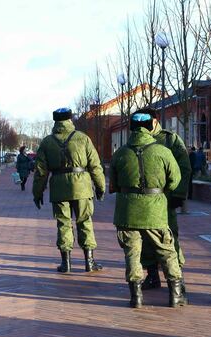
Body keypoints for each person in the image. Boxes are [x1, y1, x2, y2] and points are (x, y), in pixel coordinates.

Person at [110, 111, 187, 308]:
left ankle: (136, 296)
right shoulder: (162, 151)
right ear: (150, 126)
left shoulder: (120, 153)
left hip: (127, 213)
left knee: (132, 253)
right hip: (156, 211)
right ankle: (176, 295)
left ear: (131, 128)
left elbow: (114, 185)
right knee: (167, 251)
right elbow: (175, 180)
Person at [32, 107, 106, 273]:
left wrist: (37, 193)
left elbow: (41, 172)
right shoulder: (83, 138)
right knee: (85, 221)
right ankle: (89, 261)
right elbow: (95, 166)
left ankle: (66, 263)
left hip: (59, 187)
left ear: (55, 121)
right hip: (82, 187)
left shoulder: (47, 142)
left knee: (63, 223)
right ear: (70, 119)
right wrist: (101, 187)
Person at [136, 108, 191, 290]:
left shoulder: (170, 139)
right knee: (146, 239)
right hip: (144, 201)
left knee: (170, 238)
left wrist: (178, 195)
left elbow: (184, 168)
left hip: (165, 199)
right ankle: (152, 275)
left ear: (155, 121)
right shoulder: (136, 138)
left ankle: (176, 278)